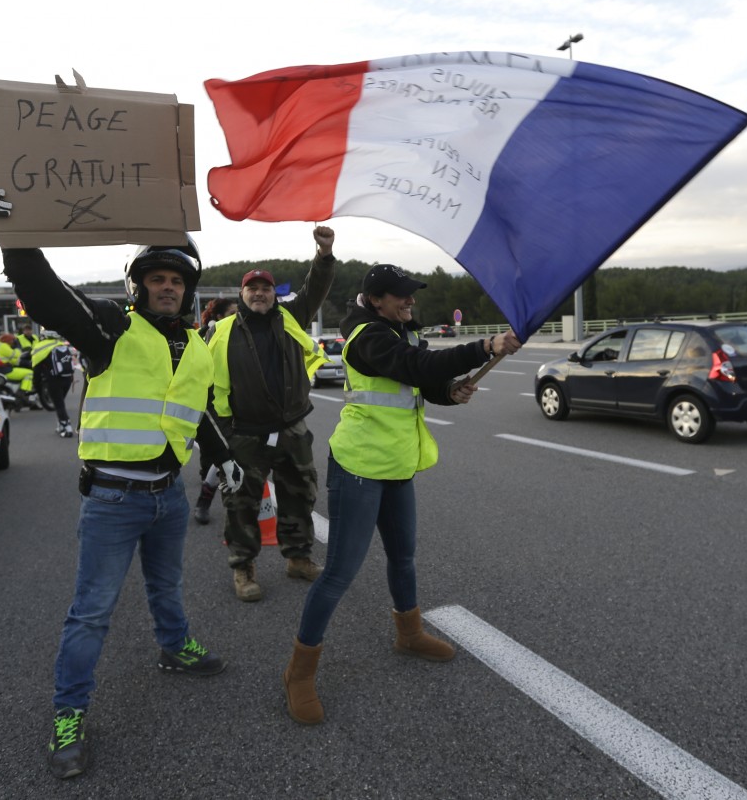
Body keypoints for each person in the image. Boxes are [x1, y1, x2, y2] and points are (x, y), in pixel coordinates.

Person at [0, 176, 234, 780]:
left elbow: (195, 409)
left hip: (168, 497)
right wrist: (11, 233)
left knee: (167, 586)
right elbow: (47, 298)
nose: (167, 287)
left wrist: (221, 454)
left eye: (177, 280)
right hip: (114, 499)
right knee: (91, 613)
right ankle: (69, 713)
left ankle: (173, 647)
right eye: (156, 278)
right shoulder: (112, 328)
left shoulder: (195, 345)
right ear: (137, 286)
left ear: (189, 289)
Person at [282, 264, 521, 725]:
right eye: (400, 295)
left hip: (396, 464)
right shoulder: (366, 337)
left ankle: (408, 634)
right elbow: (414, 366)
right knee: (339, 573)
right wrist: (485, 346)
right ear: (376, 300)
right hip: (359, 465)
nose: (410, 300)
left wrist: (450, 392)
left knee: (403, 557)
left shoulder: (403, 333)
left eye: (411, 293)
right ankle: (299, 670)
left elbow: (425, 382)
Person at [205, 229, 336, 601]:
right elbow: (207, 387)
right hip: (245, 433)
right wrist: (224, 436)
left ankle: (298, 558)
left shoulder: (289, 317)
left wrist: (324, 254)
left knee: (301, 495)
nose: (260, 293)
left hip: (292, 428)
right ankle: (243, 567)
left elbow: (315, 289)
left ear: (274, 293)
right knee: (240, 504)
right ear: (242, 294)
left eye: (266, 288)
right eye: (253, 288)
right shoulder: (220, 331)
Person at [191, 297, 239, 523]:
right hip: (211, 405)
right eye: (232, 313)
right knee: (220, 455)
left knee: (229, 455)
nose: (237, 317)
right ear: (218, 316)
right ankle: (205, 500)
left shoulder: (240, 333)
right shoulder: (204, 335)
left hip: (234, 405)